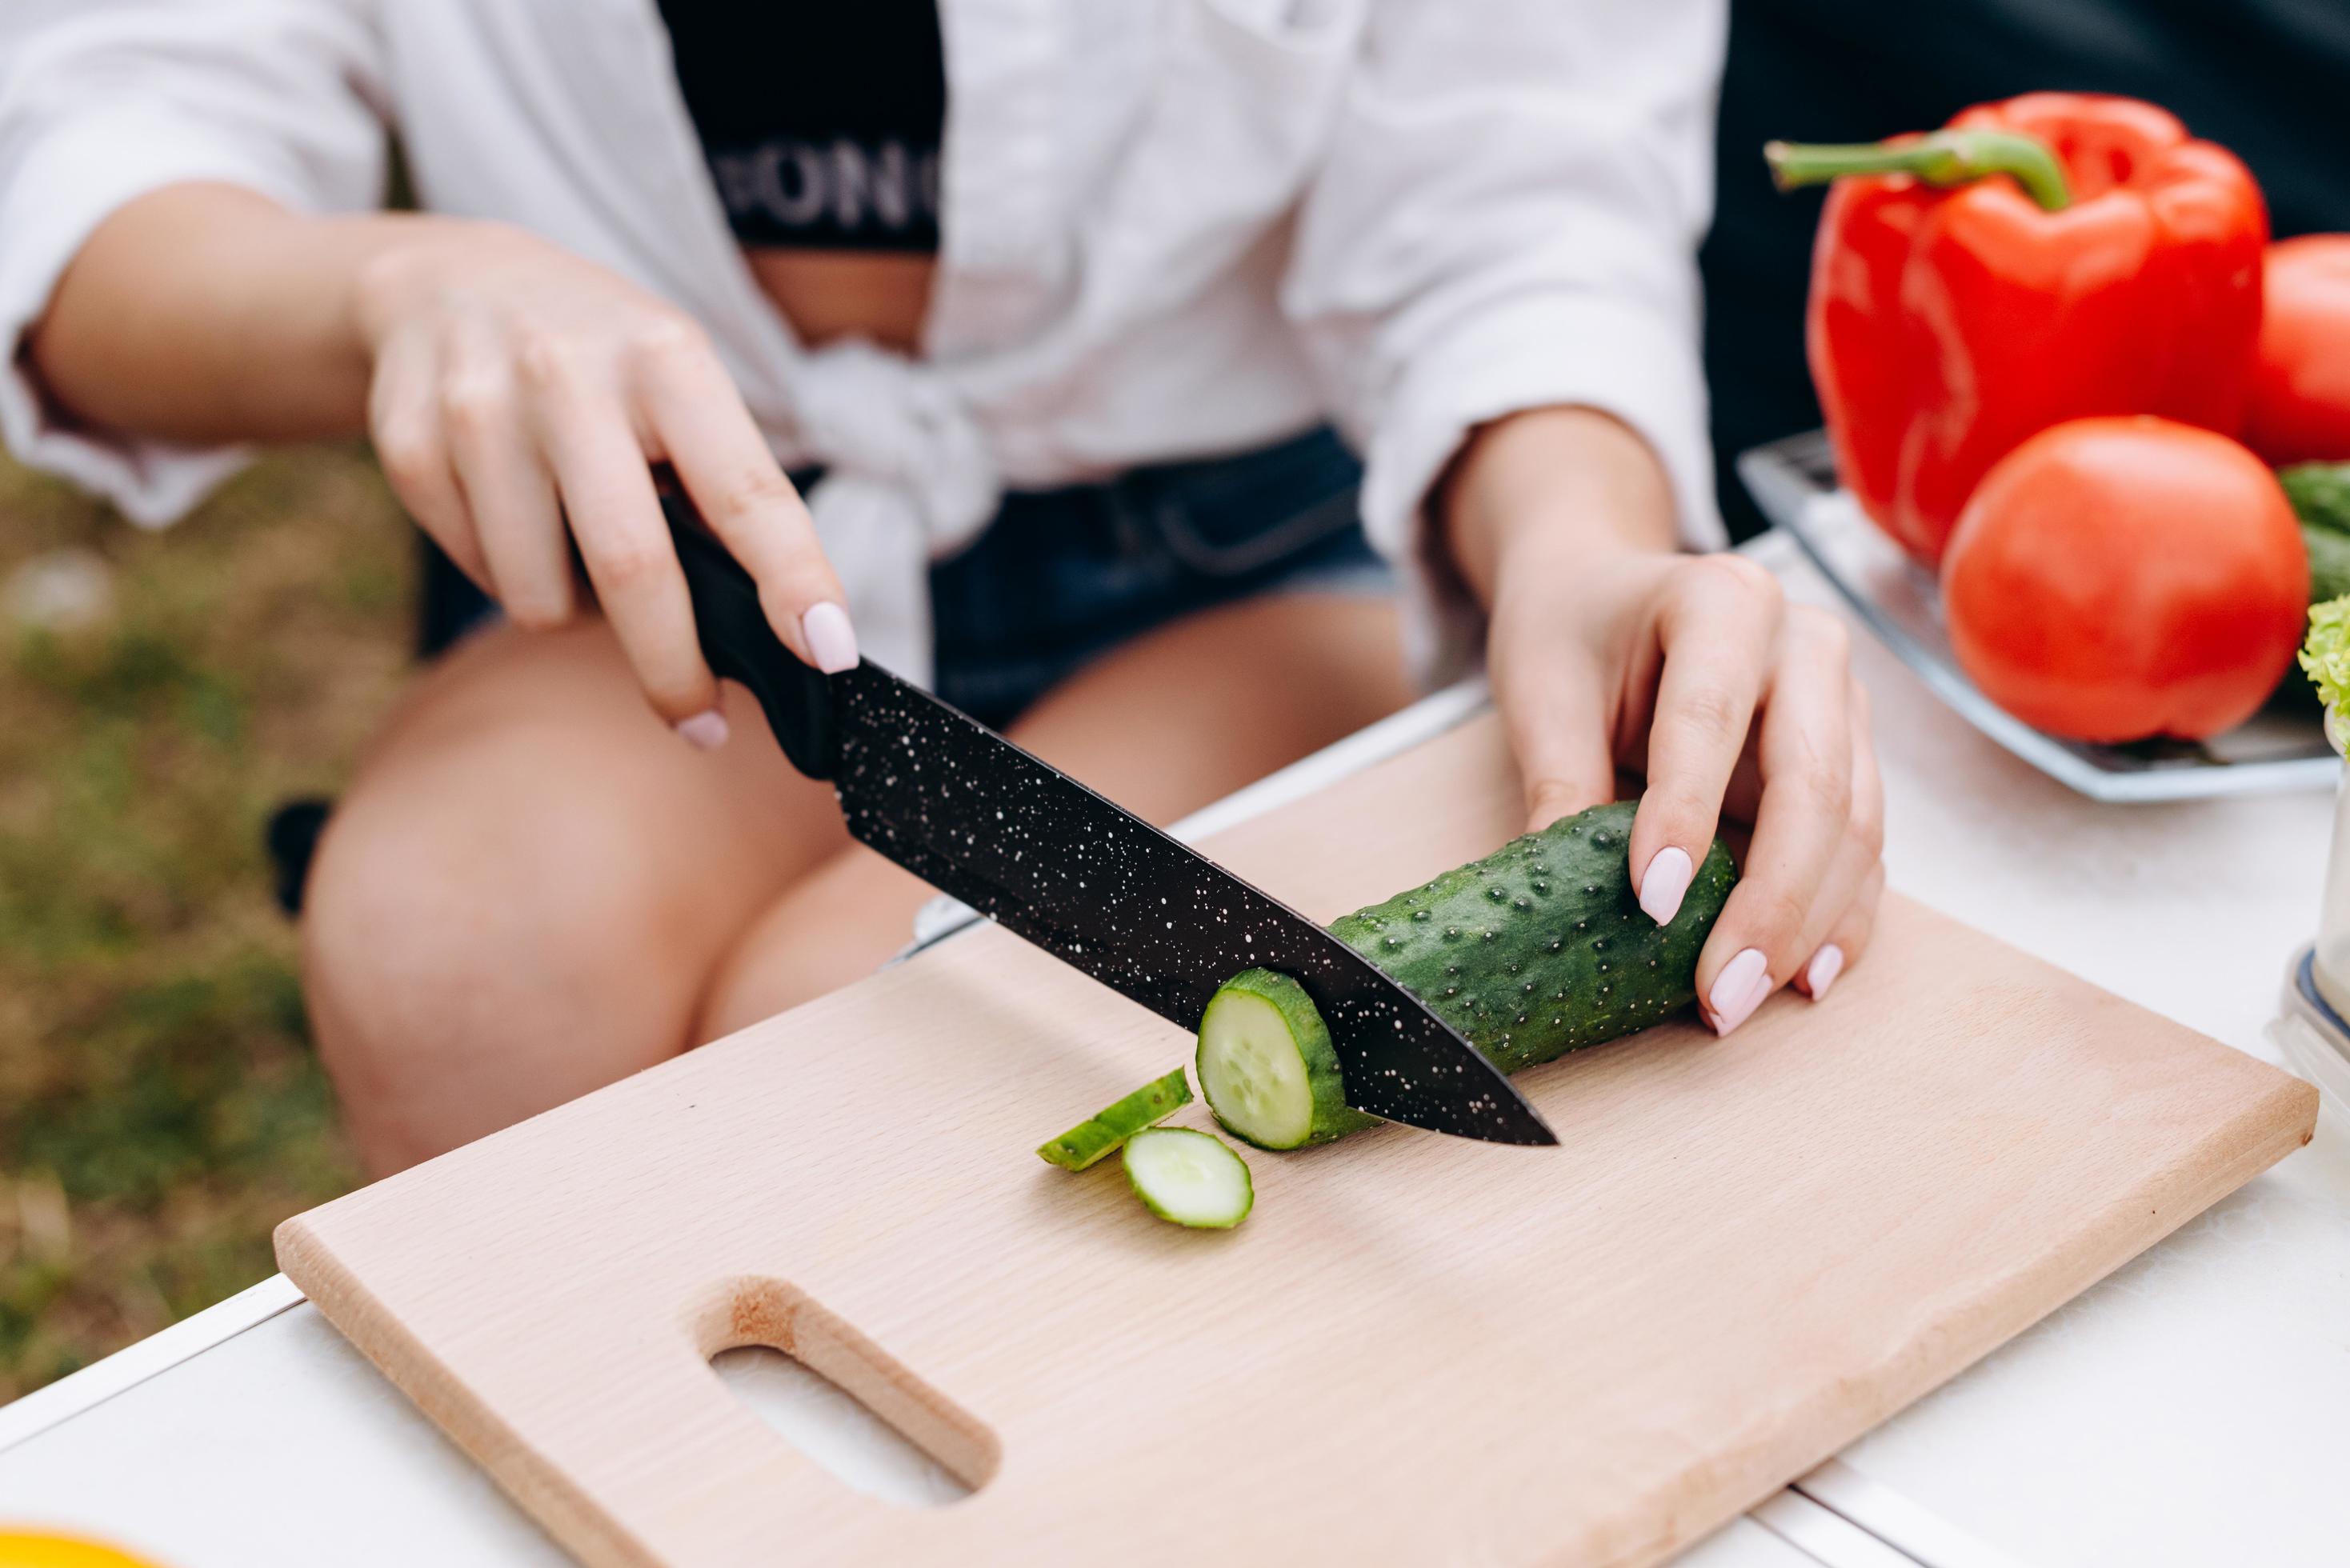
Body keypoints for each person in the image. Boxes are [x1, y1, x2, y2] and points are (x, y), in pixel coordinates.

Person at [0, 0, 1882, 1177]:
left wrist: (1574, 544)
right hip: (680, 560)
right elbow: (106, 158)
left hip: (1237, 547)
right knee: (458, 957)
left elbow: (1515, 190)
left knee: (856, 1056)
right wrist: (395, 292)